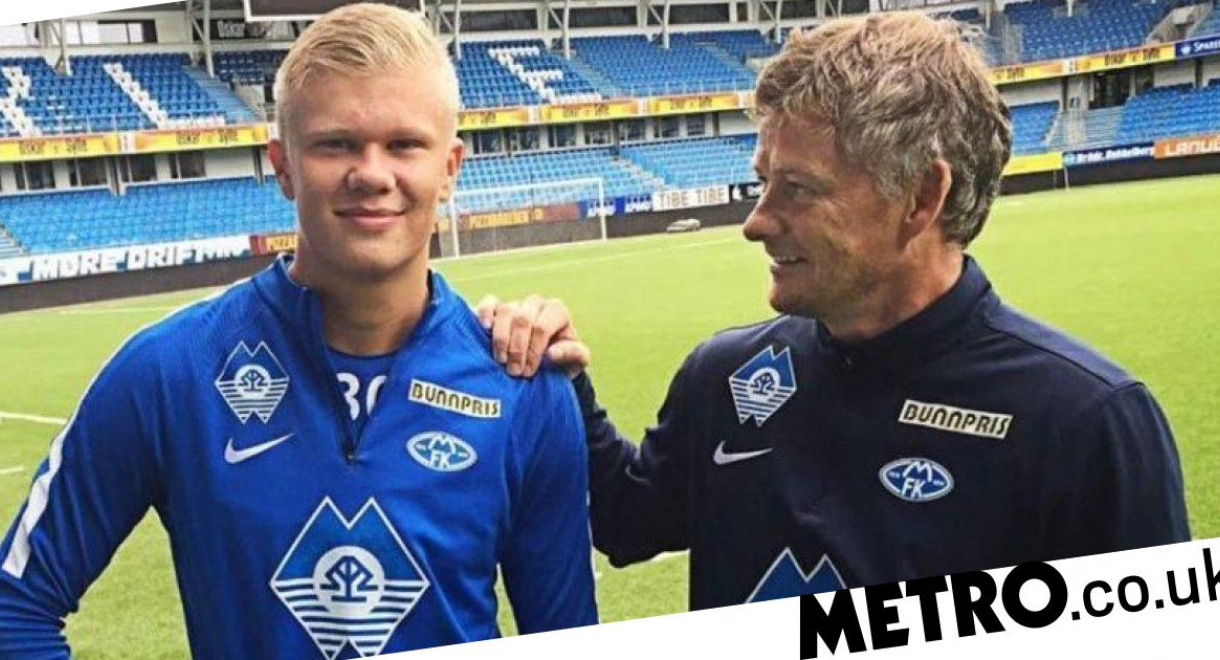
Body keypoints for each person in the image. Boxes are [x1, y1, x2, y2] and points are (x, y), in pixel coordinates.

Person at [481, 12, 1189, 610]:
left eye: (797, 188)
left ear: (921, 198)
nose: (756, 222)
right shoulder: (726, 376)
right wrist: (560, 370)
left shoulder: (1089, 424)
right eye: (763, 182)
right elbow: (627, 521)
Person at [0, 5, 596, 657]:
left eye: (404, 144)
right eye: (335, 144)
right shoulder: (168, 372)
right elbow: (14, 608)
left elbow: (565, 640)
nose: (372, 174)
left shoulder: (525, 387)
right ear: (282, 165)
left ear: (450, 167)